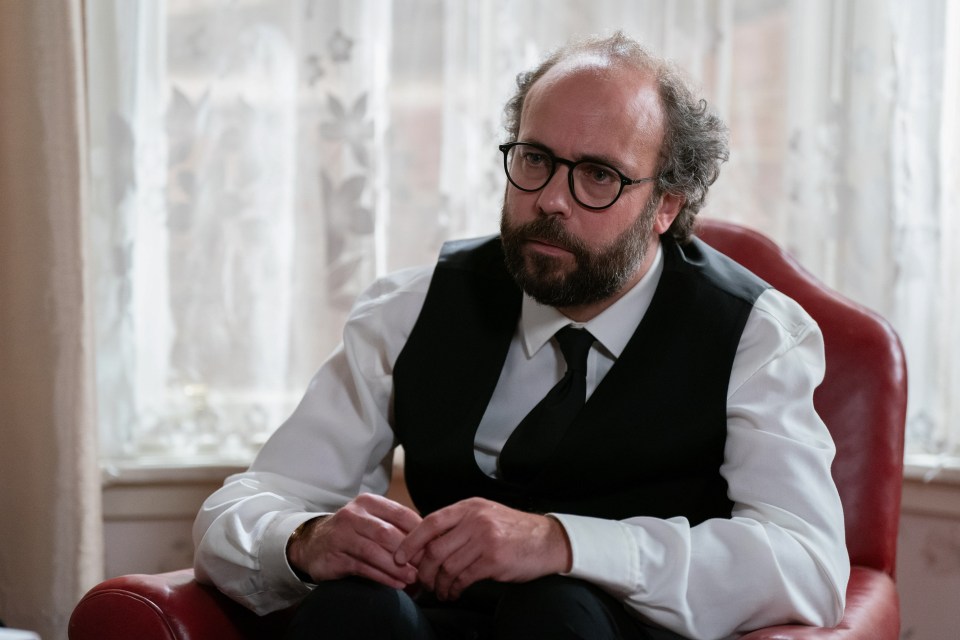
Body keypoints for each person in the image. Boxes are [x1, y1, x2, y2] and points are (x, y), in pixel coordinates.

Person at [193, 31, 849, 640]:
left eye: (598, 175)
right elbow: (246, 505)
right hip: (442, 622)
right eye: (535, 159)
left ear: (667, 206)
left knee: (557, 610)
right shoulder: (411, 309)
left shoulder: (754, 336)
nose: (551, 200)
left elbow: (808, 565)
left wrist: (562, 543)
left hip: (607, 630)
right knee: (351, 608)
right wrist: (305, 538)